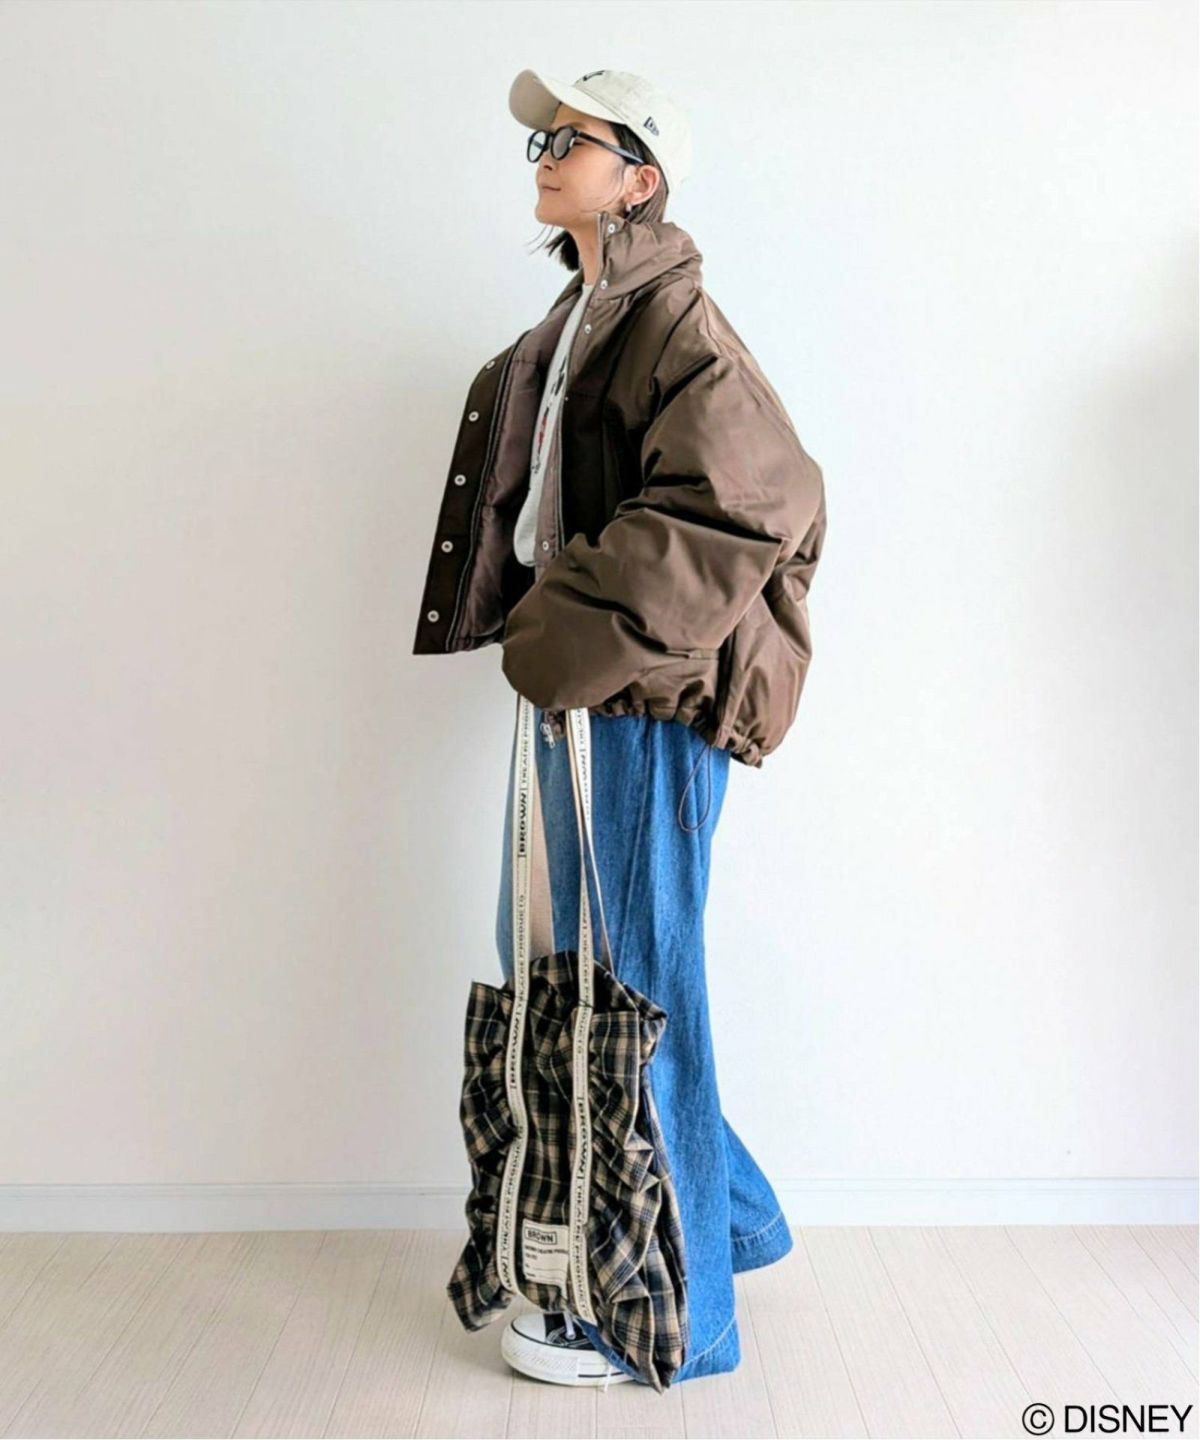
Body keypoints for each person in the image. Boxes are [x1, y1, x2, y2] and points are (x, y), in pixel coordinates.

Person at [413, 67, 828, 1387]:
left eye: (571, 138)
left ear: (639, 178)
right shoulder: (590, 310)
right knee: (563, 974)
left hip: (642, 707)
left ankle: (680, 1322)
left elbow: (762, 499)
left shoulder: (674, 320)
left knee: (632, 993)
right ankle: (730, 1220)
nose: (543, 152)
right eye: (539, 137)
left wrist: (568, 619)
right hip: (586, 698)